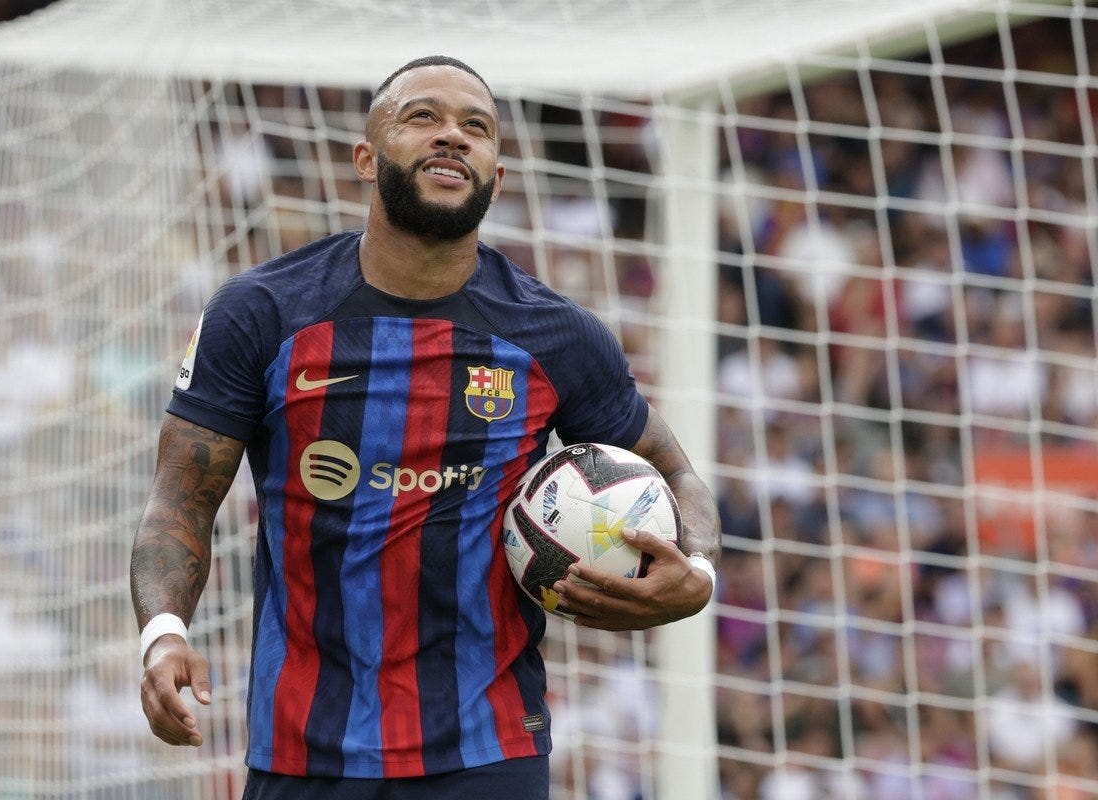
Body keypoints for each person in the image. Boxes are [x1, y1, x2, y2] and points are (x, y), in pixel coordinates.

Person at [130, 55, 720, 800]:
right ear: (365, 159)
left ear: (496, 179)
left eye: (476, 127)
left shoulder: (556, 335)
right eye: (423, 117)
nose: (453, 136)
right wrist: (164, 634)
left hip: (488, 750)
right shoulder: (261, 314)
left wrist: (697, 575)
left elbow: (674, 471)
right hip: (304, 750)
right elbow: (180, 499)